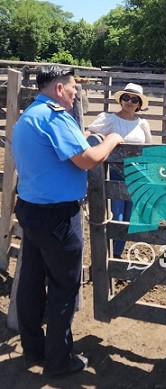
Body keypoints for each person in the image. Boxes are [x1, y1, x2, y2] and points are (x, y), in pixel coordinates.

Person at [12, 65, 124, 378]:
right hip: (58, 216)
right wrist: (113, 139)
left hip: (31, 209)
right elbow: (88, 160)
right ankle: (59, 360)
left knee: (32, 282)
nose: (76, 93)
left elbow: (67, 147)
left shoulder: (31, 115)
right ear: (60, 87)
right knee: (63, 287)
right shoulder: (55, 116)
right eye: (73, 86)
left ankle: (33, 348)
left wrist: (87, 136)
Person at [87, 83, 152, 258]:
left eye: (134, 99)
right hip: (115, 174)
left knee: (129, 218)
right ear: (121, 100)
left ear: (139, 104)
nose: (129, 101)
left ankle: (116, 255)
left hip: (137, 174)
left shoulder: (142, 124)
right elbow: (89, 134)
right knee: (117, 215)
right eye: (126, 97)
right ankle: (109, 255)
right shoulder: (110, 119)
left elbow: (148, 149)